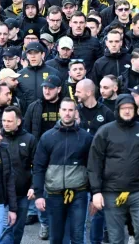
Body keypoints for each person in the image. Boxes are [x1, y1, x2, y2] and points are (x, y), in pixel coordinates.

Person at [88, 93, 139, 244]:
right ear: (117, 110)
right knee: (116, 238)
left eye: (130, 108)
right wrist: (96, 192)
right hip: (112, 192)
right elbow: (94, 163)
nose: (127, 111)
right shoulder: (105, 131)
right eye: (123, 108)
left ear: (135, 109)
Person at [34, 98, 93, 244]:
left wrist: (94, 193)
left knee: (78, 236)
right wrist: (39, 195)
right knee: (56, 238)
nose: (67, 113)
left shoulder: (85, 137)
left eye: (71, 110)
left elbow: (93, 168)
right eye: (64, 110)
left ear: (76, 112)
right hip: (54, 194)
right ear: (59, 111)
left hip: (78, 193)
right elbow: (39, 167)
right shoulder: (47, 137)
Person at [1, 106, 37, 244]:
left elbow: (37, 166)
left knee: (18, 229)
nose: (5, 124)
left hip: (22, 193)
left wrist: (33, 186)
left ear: (18, 121)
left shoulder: (30, 139)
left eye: (9, 121)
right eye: (4, 120)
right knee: (5, 230)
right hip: (2, 194)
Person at [23, 75, 63, 140]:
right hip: (40, 144)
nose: (47, 92)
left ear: (59, 89)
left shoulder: (66, 107)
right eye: (45, 88)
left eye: (50, 88)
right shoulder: (34, 107)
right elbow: (26, 130)